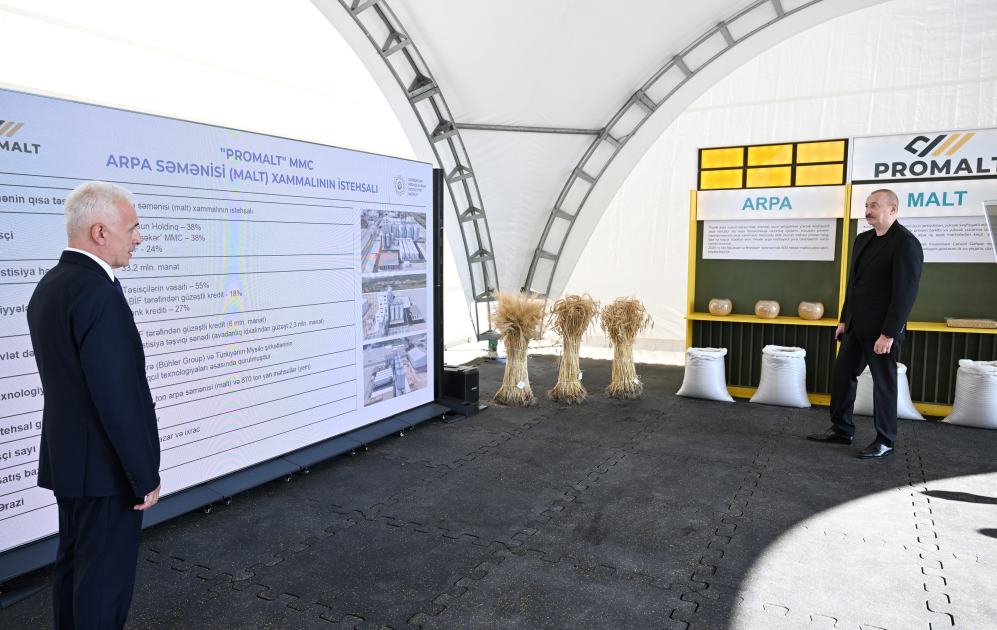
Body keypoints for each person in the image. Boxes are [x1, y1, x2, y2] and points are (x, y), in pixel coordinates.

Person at [28, 181, 161, 629]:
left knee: (75, 571)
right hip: (107, 473)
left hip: (71, 466)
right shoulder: (98, 292)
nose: (139, 238)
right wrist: (143, 475)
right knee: (102, 589)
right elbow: (117, 397)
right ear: (101, 232)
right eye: (133, 228)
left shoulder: (51, 285)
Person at [808, 189, 923, 459]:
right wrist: (843, 320)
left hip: (882, 331)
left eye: (875, 206)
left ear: (892, 209)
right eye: (867, 206)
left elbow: (905, 294)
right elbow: (854, 285)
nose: (868, 211)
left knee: (883, 384)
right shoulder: (863, 239)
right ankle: (842, 430)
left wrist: (889, 333)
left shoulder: (906, 243)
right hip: (854, 326)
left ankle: (885, 441)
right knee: (843, 376)